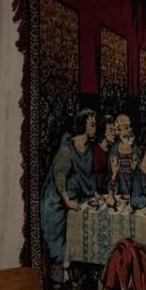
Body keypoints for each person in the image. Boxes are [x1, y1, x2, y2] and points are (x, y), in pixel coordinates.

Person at [40, 110, 98, 269]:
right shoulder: (67, 147)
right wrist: (67, 201)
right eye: (92, 125)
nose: (95, 128)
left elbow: (87, 176)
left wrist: (94, 193)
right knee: (57, 244)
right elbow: (60, 175)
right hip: (56, 200)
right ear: (83, 126)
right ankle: (59, 276)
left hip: (75, 197)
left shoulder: (88, 148)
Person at [107, 114, 138, 197]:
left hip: (135, 192)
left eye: (129, 127)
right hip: (119, 193)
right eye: (126, 127)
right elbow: (111, 175)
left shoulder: (136, 149)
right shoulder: (114, 150)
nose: (129, 130)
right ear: (119, 130)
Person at [92, 116, 116, 193]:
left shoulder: (113, 150)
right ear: (103, 132)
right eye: (111, 130)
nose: (114, 133)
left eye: (114, 130)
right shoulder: (95, 151)